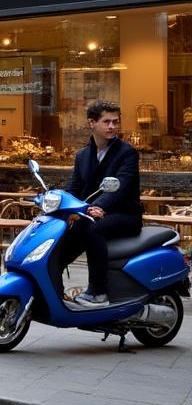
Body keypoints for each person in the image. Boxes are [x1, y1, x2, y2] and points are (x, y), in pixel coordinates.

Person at [58, 100, 142, 308]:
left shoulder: (127, 153)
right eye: (107, 122)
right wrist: (63, 207)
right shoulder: (82, 155)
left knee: (91, 229)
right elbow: (74, 187)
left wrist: (100, 207)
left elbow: (120, 186)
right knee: (62, 230)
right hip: (92, 213)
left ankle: (98, 292)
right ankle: (52, 286)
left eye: (115, 122)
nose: (112, 126)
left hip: (124, 215)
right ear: (91, 123)